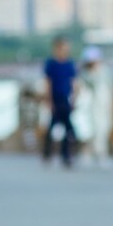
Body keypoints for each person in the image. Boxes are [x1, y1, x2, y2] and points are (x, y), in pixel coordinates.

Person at [42, 37, 79, 168]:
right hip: (55, 99)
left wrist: (74, 99)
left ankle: (66, 155)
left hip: (66, 100)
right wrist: (49, 100)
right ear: (57, 48)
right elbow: (48, 83)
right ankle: (47, 154)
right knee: (52, 127)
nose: (65, 51)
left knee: (69, 130)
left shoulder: (70, 64)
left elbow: (74, 83)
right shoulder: (51, 64)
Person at [79, 45, 113, 168]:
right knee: (93, 129)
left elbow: (109, 87)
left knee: (104, 128)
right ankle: (95, 154)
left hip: (104, 106)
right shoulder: (86, 74)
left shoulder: (104, 71)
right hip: (92, 107)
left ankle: (97, 153)